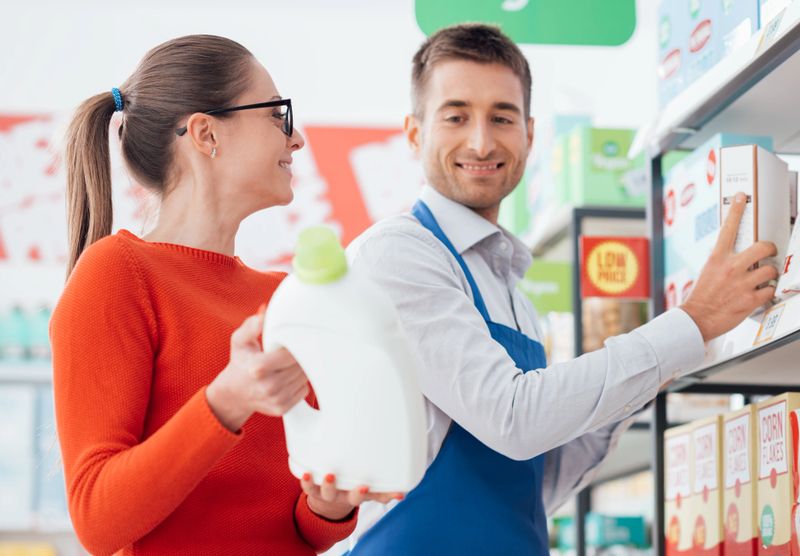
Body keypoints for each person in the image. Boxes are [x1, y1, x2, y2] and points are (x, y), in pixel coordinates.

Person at [345, 23, 779, 555]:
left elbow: (537, 484)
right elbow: (514, 418)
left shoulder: (514, 294)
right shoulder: (397, 254)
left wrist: (648, 375)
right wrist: (687, 324)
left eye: (501, 118)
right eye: (456, 116)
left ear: (528, 133)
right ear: (414, 133)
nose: (481, 141)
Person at [50, 34, 397, 556]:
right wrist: (226, 400)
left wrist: (330, 504)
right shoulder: (116, 275)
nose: (296, 138)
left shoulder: (285, 296)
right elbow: (98, 520)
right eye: (278, 115)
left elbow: (304, 526)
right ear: (206, 133)